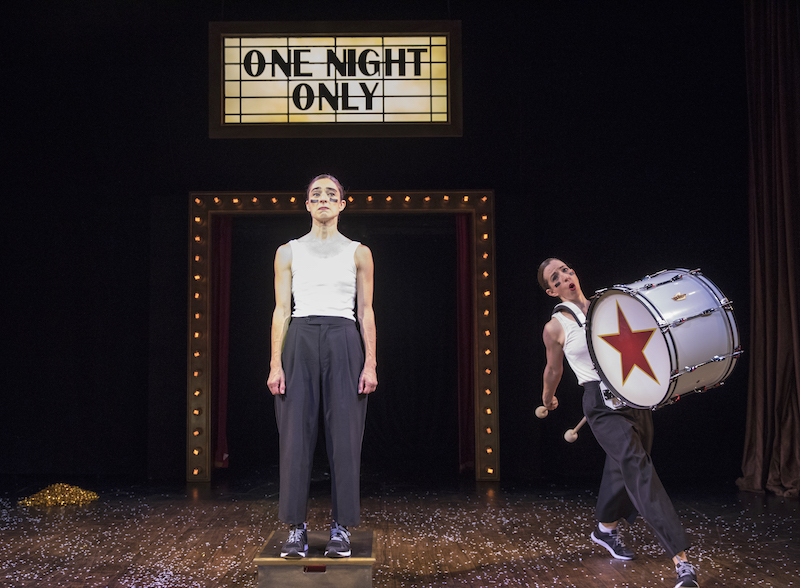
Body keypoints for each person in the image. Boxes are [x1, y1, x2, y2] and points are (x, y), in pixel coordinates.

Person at [538, 258, 699, 588]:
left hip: (633, 392)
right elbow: (554, 369)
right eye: (556, 278)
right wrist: (548, 397)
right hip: (600, 405)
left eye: (566, 270)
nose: (565, 276)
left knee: (622, 465)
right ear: (551, 291)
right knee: (639, 469)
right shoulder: (556, 326)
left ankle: (605, 528)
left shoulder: (607, 305)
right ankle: (682, 561)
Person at [267, 174, 378, 559]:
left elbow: (366, 310)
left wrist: (370, 363)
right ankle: (295, 528)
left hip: (343, 337)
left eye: (331, 194)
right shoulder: (288, 251)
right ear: (307, 204)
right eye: (316, 194)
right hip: (300, 336)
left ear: (343, 204)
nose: (324, 199)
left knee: (345, 437)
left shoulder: (359, 252)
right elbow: (281, 309)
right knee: (294, 436)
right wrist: (275, 364)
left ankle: (341, 527)